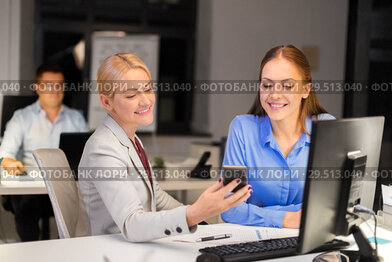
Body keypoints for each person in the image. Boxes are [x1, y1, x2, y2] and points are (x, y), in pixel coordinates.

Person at [78, 53, 251, 242]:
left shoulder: (131, 138)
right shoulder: (102, 148)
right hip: (104, 251)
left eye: (147, 89)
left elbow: (157, 197)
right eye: (131, 95)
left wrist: (200, 221)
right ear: (106, 102)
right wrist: (195, 213)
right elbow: (132, 224)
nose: (146, 101)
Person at [220, 45, 335, 229]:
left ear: (306, 90)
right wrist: (289, 218)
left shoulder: (326, 129)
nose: (274, 94)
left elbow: (332, 206)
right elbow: (229, 208)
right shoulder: (242, 129)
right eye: (267, 85)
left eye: (287, 85)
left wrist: (259, 211)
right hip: (254, 244)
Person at [0, 63, 87, 241]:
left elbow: (86, 155)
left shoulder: (76, 118)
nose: (55, 90)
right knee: (26, 207)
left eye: (59, 85)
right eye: (49, 85)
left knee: (88, 206)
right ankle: (32, 251)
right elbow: (4, 155)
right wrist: (10, 163)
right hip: (32, 189)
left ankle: (66, 251)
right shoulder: (21, 117)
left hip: (66, 184)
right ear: (38, 88)